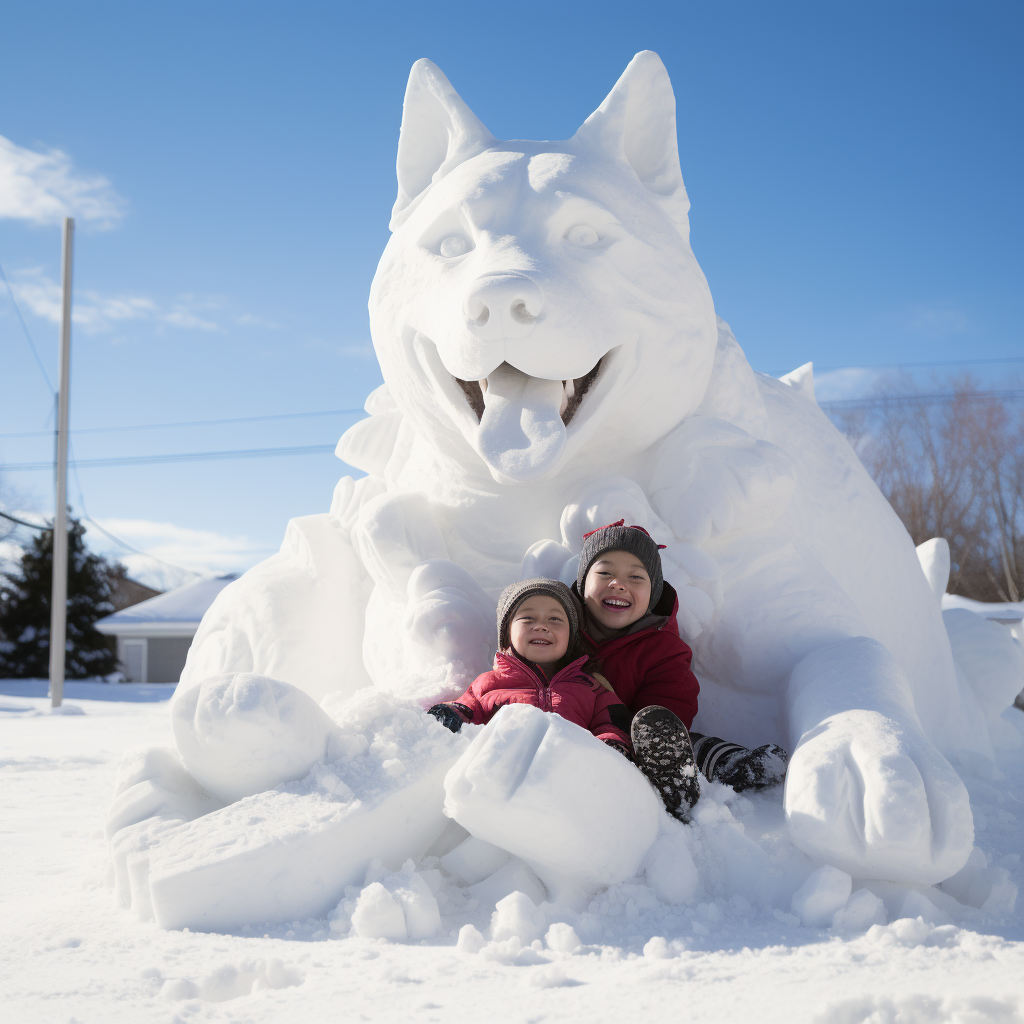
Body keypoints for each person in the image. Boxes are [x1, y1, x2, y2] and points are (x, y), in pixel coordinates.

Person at [571, 520, 789, 808]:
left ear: (653, 595)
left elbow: (671, 706)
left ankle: (730, 764)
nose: (619, 583)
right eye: (605, 573)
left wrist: (634, 723)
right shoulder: (560, 635)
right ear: (581, 585)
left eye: (636, 577)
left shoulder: (664, 649)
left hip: (641, 743)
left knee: (682, 743)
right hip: (574, 738)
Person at [427, 578, 632, 754]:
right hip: (508, 778)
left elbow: (613, 724)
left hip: (573, 776)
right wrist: (451, 715)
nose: (542, 626)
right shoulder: (490, 682)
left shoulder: (591, 687)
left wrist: (611, 746)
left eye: (555, 619)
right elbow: (468, 708)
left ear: (571, 637)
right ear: (508, 634)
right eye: (528, 618)